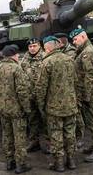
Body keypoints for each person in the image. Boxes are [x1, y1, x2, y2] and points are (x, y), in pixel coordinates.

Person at [35, 36, 78, 171]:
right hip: (70, 104)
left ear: (47, 48)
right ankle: (71, 161)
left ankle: (59, 163)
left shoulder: (46, 63)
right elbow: (76, 81)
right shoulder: (69, 60)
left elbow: (41, 88)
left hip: (54, 107)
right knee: (70, 133)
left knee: (56, 134)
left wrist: (41, 106)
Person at [0, 44, 32, 174]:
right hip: (17, 110)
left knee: (7, 135)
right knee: (19, 137)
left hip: (3, 109)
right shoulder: (16, 69)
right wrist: (27, 108)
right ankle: (21, 164)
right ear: (14, 55)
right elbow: (22, 91)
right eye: (17, 54)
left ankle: (9, 162)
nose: (18, 56)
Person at [69, 28, 93, 162]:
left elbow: (89, 76)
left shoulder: (87, 53)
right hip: (88, 94)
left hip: (90, 95)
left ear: (83, 37)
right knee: (91, 122)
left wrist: (87, 96)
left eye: (75, 39)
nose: (74, 42)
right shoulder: (83, 51)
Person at [54, 32, 84, 148]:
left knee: (77, 114)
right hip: (62, 88)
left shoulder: (71, 52)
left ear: (62, 41)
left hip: (72, 88)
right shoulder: (60, 51)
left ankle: (79, 137)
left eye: (58, 41)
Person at [20, 38, 45, 152]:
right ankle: (34, 141)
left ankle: (50, 143)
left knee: (47, 119)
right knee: (32, 119)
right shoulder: (24, 60)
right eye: (30, 47)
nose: (32, 48)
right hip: (30, 95)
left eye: (34, 46)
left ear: (39, 46)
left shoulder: (45, 57)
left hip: (43, 96)